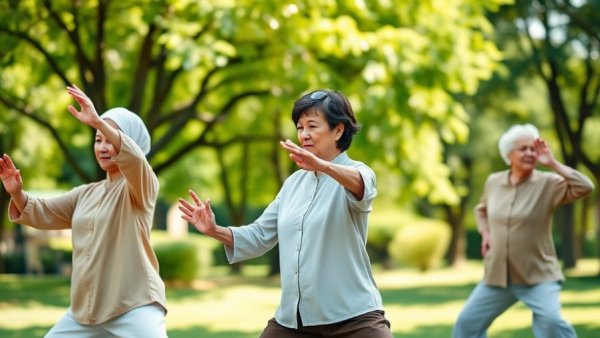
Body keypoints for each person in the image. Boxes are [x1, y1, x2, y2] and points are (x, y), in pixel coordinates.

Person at [178, 89, 393, 338]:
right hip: (294, 322)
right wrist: (215, 230)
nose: (304, 135)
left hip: (354, 319)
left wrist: (322, 165)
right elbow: (259, 235)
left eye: (312, 126)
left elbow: (362, 187)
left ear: (338, 130)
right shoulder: (293, 184)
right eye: (300, 127)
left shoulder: (358, 172)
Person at [0, 85, 168, 337]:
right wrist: (16, 193)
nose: (102, 147)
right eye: (97, 140)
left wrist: (98, 122)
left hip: (134, 305)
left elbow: (135, 161)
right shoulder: (86, 193)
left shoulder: (141, 186)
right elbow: (42, 210)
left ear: (128, 145)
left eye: (109, 140)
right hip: (85, 313)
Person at [453, 123, 594, 338]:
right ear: (509, 155)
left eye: (533, 149)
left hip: (538, 275)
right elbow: (481, 210)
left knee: (551, 323)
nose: (530, 153)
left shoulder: (548, 183)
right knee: (466, 325)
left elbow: (585, 187)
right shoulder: (494, 182)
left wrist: (553, 163)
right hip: (497, 277)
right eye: (523, 149)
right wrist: (486, 233)